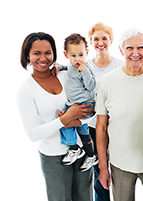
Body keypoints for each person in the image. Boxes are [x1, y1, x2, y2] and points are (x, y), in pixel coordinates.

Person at [96, 27, 143, 201]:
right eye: (129, 48)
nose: (135, 53)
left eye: (140, 48)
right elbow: (101, 128)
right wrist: (103, 167)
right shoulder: (108, 81)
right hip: (120, 162)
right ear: (122, 50)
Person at [17, 32, 94, 201]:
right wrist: (64, 120)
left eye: (48, 52)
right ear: (27, 55)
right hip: (54, 157)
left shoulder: (66, 75)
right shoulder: (26, 89)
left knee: (86, 198)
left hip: (82, 151)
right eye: (37, 53)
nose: (43, 58)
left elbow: (89, 106)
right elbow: (33, 134)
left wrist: (78, 120)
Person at [87, 22, 124, 201]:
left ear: (111, 41)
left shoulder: (120, 64)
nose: (100, 42)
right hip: (94, 127)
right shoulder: (85, 67)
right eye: (96, 39)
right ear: (91, 42)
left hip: (117, 126)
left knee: (119, 171)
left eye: (104, 38)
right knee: (99, 171)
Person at [60, 33, 98, 172]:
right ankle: (90, 155)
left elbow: (91, 86)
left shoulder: (86, 68)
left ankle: (74, 148)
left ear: (87, 53)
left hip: (85, 105)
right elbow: (69, 69)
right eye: (73, 56)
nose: (77, 60)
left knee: (65, 123)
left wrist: (85, 72)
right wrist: (59, 66)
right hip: (73, 104)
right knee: (83, 131)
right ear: (66, 55)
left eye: (81, 55)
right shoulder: (71, 66)